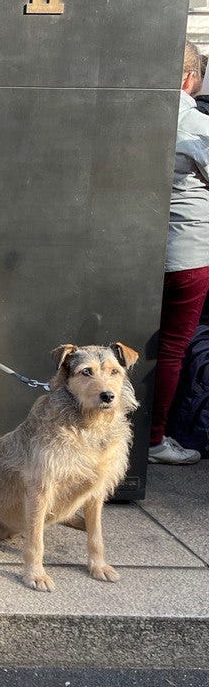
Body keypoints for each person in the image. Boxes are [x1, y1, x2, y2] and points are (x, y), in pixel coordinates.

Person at [148, 40, 209, 463]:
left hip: (142, 251)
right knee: (170, 348)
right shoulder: (198, 126)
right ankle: (155, 440)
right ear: (189, 78)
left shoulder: (141, 115)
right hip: (187, 255)